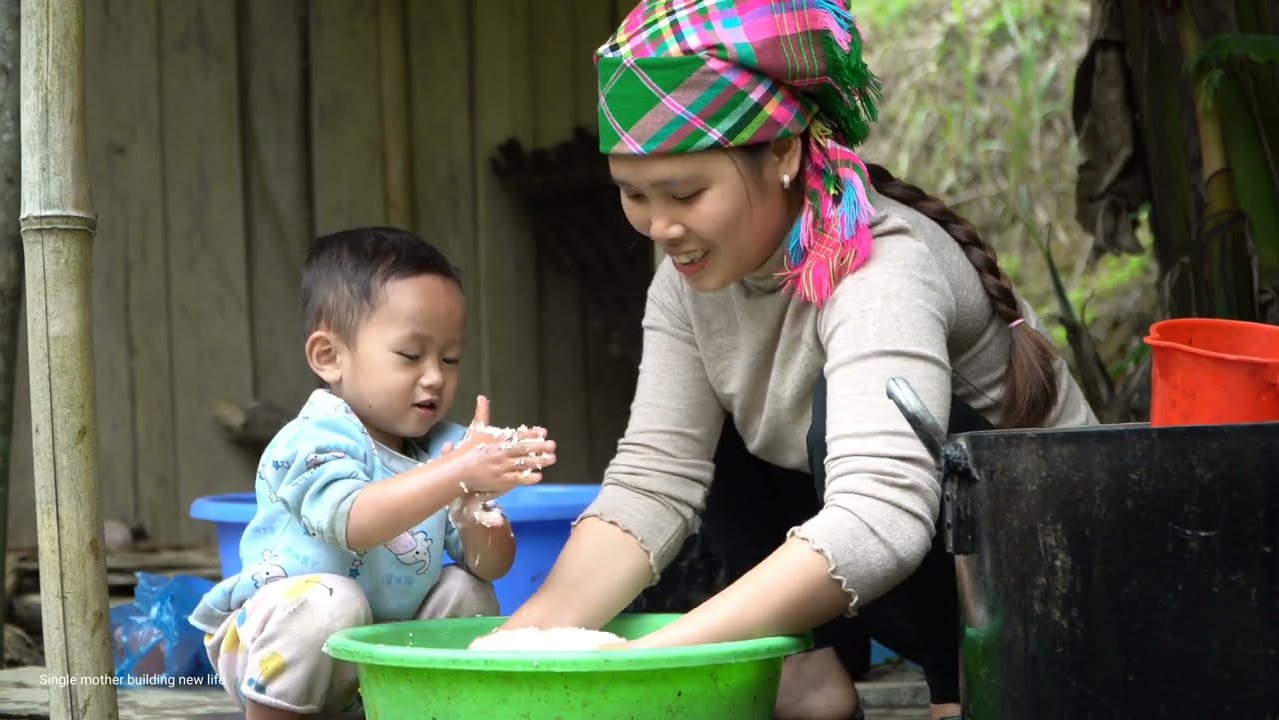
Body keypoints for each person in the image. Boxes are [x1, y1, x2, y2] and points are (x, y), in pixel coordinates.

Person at [494, 2, 1098, 719]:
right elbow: (656, 478)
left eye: (685, 193)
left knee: (840, 426)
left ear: (783, 153)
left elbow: (882, 515)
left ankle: (956, 681)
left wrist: (659, 656)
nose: (660, 227)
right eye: (633, 195)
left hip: (1043, 577)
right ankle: (805, 664)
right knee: (715, 429)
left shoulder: (882, 269)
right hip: (885, 547)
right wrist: (523, 642)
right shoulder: (687, 281)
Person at [189, 227, 557, 719]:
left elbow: (491, 567)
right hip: (271, 647)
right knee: (330, 600)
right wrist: (456, 474)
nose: (434, 376)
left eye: (450, 359)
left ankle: (416, 710)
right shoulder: (316, 436)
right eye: (410, 355)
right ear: (330, 357)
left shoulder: (442, 449)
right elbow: (354, 522)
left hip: (375, 661)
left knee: (467, 590)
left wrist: (476, 511)